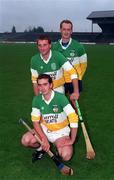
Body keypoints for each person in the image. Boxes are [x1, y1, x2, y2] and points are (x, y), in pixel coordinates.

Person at [21, 74, 78, 162]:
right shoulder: (37, 100)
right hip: (44, 129)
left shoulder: (61, 98)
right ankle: (41, 148)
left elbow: (73, 118)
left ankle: (57, 148)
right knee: (26, 140)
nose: (42, 88)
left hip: (60, 132)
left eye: (45, 84)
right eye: (39, 85)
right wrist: (43, 139)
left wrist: (72, 140)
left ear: (51, 85)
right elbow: (35, 122)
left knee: (66, 156)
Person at [30, 34, 79, 102]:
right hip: (43, 91)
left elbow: (73, 72)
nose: (42, 48)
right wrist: (37, 100)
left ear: (50, 45)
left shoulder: (58, 56)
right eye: (40, 45)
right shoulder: (34, 60)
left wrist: (76, 92)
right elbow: (35, 81)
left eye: (45, 45)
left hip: (58, 89)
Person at [52, 19, 87, 96]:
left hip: (74, 81)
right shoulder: (54, 47)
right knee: (59, 105)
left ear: (71, 31)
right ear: (60, 30)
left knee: (74, 104)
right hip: (60, 81)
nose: (66, 32)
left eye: (68, 29)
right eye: (64, 29)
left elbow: (83, 65)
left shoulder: (79, 47)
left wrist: (78, 77)